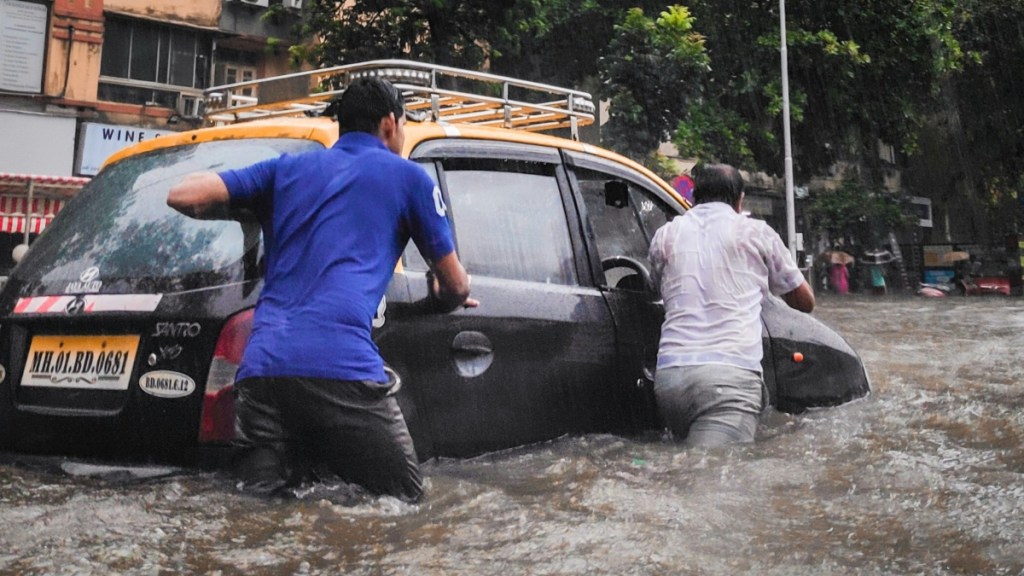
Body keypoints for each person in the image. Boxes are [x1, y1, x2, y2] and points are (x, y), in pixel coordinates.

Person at [167, 77, 477, 502]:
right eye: (404, 125)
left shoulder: (284, 170)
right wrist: (448, 296)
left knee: (258, 511)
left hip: (262, 373)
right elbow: (455, 284)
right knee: (405, 505)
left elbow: (183, 195)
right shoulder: (410, 179)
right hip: (342, 368)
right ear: (390, 123)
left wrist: (247, 207)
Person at [648, 163, 815, 447]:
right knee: (714, 480)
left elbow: (654, 288)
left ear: (695, 197)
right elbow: (804, 301)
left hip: (669, 380)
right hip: (727, 383)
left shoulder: (666, 235)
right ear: (740, 200)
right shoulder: (755, 233)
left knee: (685, 471)